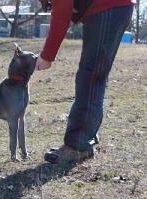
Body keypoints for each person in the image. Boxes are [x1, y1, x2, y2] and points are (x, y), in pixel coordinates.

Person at [36, 0, 135, 164]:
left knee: (90, 78)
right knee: (93, 75)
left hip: (108, 8)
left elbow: (62, 11)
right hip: (111, 9)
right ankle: (84, 138)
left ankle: (77, 147)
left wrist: (47, 56)